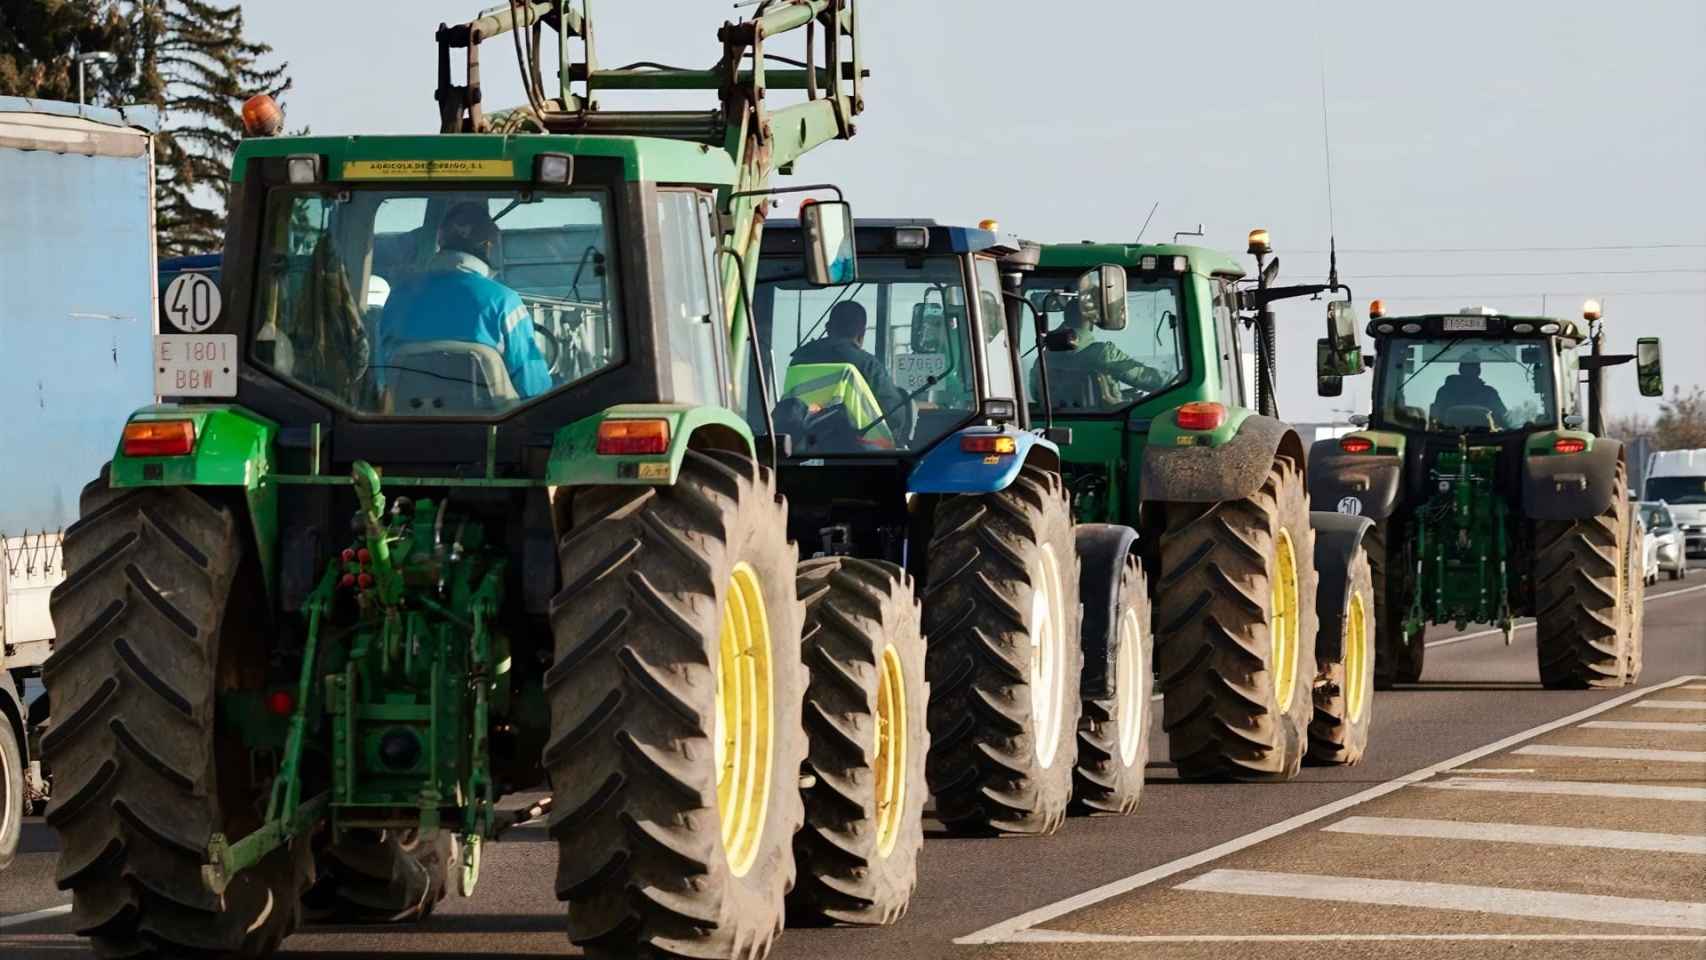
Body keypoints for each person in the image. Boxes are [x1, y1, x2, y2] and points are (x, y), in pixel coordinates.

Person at [379, 202, 552, 398]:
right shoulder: (505, 302)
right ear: (488, 246)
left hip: (406, 422)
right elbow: (533, 388)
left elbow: (380, 372)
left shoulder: (399, 296)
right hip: (493, 425)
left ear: (440, 244)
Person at [788, 300, 912, 440]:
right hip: (855, 455)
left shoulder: (799, 359)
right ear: (862, 333)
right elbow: (894, 416)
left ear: (828, 328)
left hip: (799, 450)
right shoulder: (868, 365)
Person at [1030, 298, 1164, 408]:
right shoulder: (1102, 354)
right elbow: (1149, 379)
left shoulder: (1044, 357)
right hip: (1107, 424)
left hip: (1058, 423)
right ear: (1092, 322)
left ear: (1066, 319)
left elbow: (1035, 394)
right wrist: (1178, 380)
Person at [1431, 361, 1508, 427]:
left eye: (1473, 367)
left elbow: (1504, 417)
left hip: (1488, 439)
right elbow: (1435, 418)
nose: (1470, 370)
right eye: (1467, 366)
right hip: (1447, 439)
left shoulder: (1489, 393)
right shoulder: (1445, 392)